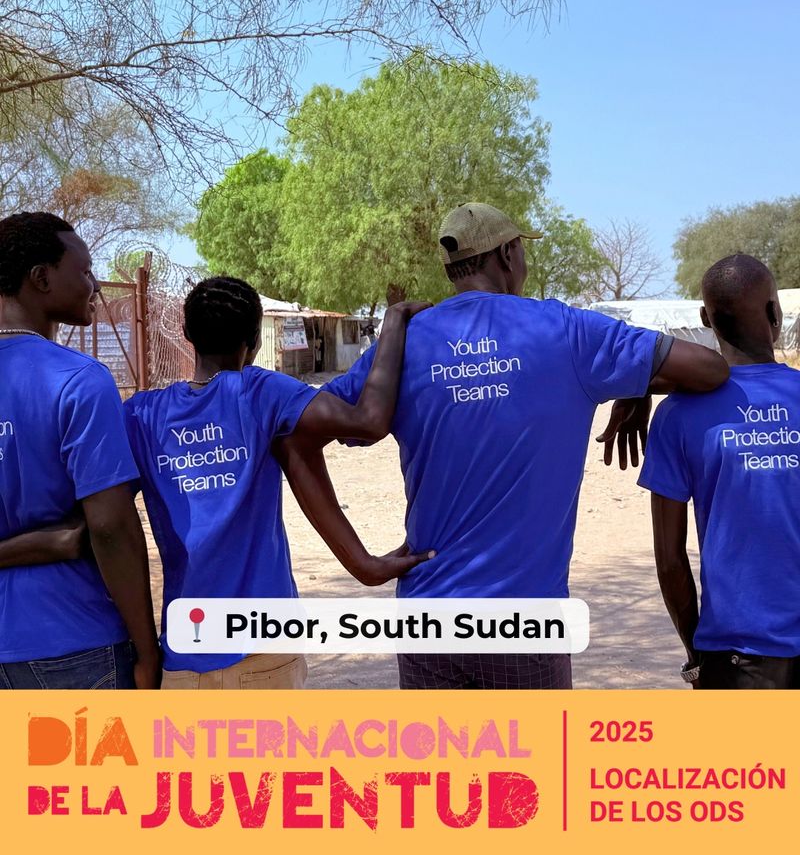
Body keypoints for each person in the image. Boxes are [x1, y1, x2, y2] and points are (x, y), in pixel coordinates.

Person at [297, 202, 729, 689]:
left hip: (428, 621)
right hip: (526, 626)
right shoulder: (567, 332)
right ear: (507, 254)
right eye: (521, 251)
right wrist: (635, 385)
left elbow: (297, 435)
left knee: (440, 767)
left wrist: (361, 562)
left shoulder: (402, 345)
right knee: (531, 767)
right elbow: (709, 369)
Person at [123, 276, 432, 689]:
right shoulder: (258, 393)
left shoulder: (140, 415)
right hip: (264, 649)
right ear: (253, 341)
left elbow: (105, 525)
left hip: (184, 654)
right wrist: (393, 324)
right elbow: (367, 420)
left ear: (186, 335)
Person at [0, 212, 159, 690]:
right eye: (85, 270)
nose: (94, 284)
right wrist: (147, 652)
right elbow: (110, 527)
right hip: (70, 642)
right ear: (42, 278)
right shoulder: (78, 380)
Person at [639, 254, 800, 689]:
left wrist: (698, 653)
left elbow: (669, 559)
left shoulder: (676, 416)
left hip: (732, 655)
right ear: (775, 312)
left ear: (705, 319)